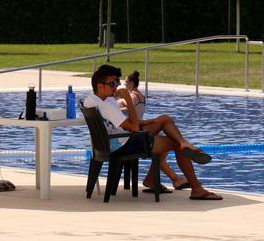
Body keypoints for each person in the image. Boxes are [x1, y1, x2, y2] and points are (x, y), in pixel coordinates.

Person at [85, 64, 222, 201]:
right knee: (175, 143)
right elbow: (134, 128)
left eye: (117, 83)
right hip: (123, 144)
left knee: (163, 119)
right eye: (112, 84)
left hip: (113, 142)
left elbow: (125, 124)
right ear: (100, 85)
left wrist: (145, 122)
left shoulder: (91, 100)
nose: (116, 87)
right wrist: (128, 99)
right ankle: (196, 188)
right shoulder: (105, 105)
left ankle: (157, 173)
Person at [118, 71, 190, 193]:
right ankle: (175, 176)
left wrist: (118, 102)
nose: (124, 85)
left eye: (125, 82)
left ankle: (170, 178)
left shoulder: (131, 96)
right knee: (167, 131)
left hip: (134, 129)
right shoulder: (140, 95)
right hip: (134, 129)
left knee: (164, 124)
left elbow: (129, 111)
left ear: (131, 83)